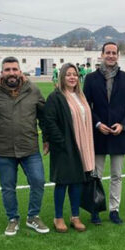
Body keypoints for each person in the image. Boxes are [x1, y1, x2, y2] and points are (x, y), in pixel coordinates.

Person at [0, 56, 50, 236]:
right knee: (8, 187)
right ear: (2, 73)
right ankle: (12, 219)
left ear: (20, 71)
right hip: (3, 149)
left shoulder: (33, 90)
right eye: (8, 70)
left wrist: (46, 138)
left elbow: (44, 117)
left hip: (29, 147)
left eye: (15, 69)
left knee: (38, 181)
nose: (11, 73)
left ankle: (33, 216)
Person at [83, 42, 125, 224]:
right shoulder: (91, 79)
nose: (111, 56)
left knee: (117, 175)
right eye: (108, 52)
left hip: (119, 135)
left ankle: (114, 210)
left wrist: (123, 125)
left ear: (118, 55)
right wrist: (97, 123)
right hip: (98, 134)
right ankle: (95, 210)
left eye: (114, 53)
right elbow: (86, 107)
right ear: (102, 55)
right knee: (96, 175)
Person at [43, 63, 95, 232]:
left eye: (75, 74)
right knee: (63, 182)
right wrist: (61, 142)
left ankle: (75, 216)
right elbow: (49, 121)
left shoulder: (81, 96)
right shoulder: (56, 97)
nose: (72, 77)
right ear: (62, 77)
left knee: (78, 181)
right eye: (68, 74)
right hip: (65, 146)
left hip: (82, 145)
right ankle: (58, 217)